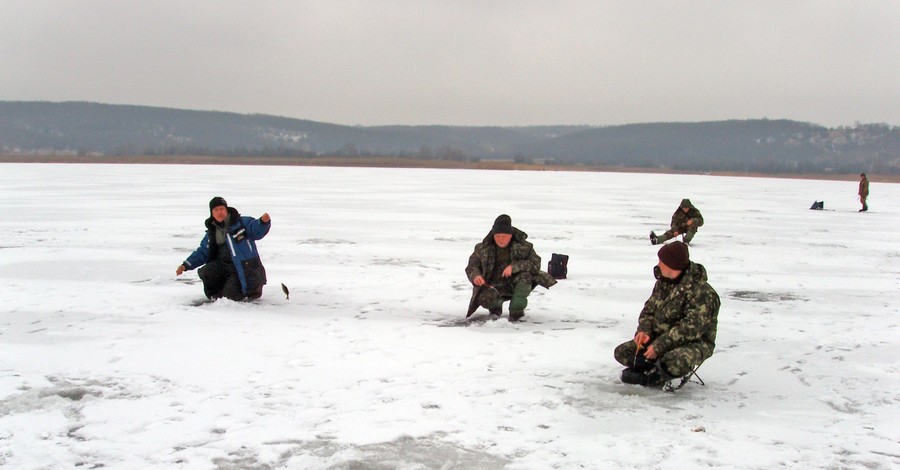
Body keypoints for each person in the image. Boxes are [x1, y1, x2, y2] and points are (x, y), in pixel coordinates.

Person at [614, 241, 720, 387]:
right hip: (661, 336)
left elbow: (691, 328)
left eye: (661, 261)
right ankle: (654, 368)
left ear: (673, 265)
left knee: (675, 361)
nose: (658, 265)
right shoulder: (663, 282)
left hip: (694, 342)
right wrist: (644, 330)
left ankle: (655, 374)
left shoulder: (702, 293)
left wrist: (659, 346)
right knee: (622, 352)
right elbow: (649, 309)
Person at [176, 197, 271, 301]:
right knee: (206, 271)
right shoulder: (212, 233)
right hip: (225, 267)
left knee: (230, 297)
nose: (219, 212)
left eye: (222, 209)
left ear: (226, 210)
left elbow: (256, 230)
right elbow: (202, 253)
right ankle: (217, 296)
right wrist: (186, 265)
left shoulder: (241, 223)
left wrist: (263, 222)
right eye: (216, 210)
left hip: (243, 268)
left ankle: (252, 290)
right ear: (212, 213)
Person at [465, 214, 557, 321]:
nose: (500, 239)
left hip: (514, 282)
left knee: (525, 276)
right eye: (497, 236)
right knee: (484, 298)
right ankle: (495, 309)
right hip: (492, 285)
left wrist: (514, 267)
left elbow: (535, 264)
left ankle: (516, 312)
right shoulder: (482, 248)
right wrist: (476, 276)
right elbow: (472, 266)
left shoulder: (524, 247)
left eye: (503, 236)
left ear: (510, 235)